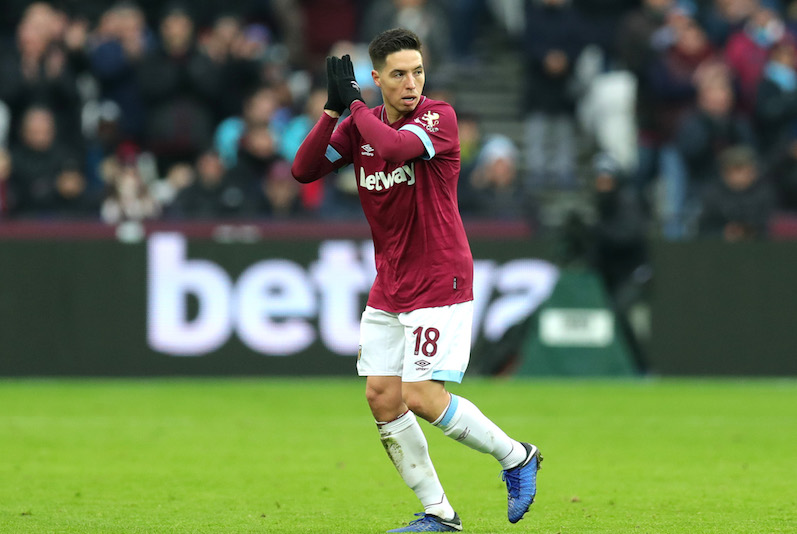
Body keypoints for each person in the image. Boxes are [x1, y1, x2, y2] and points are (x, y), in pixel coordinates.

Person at [291, 28, 541, 533]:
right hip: (391, 281)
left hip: (439, 277)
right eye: (400, 74)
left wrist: (355, 105)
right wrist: (332, 111)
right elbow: (303, 169)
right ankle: (439, 513)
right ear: (378, 77)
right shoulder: (360, 124)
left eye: (418, 72)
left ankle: (517, 456)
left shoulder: (438, 118)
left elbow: (393, 150)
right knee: (381, 395)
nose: (411, 83)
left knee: (421, 395)